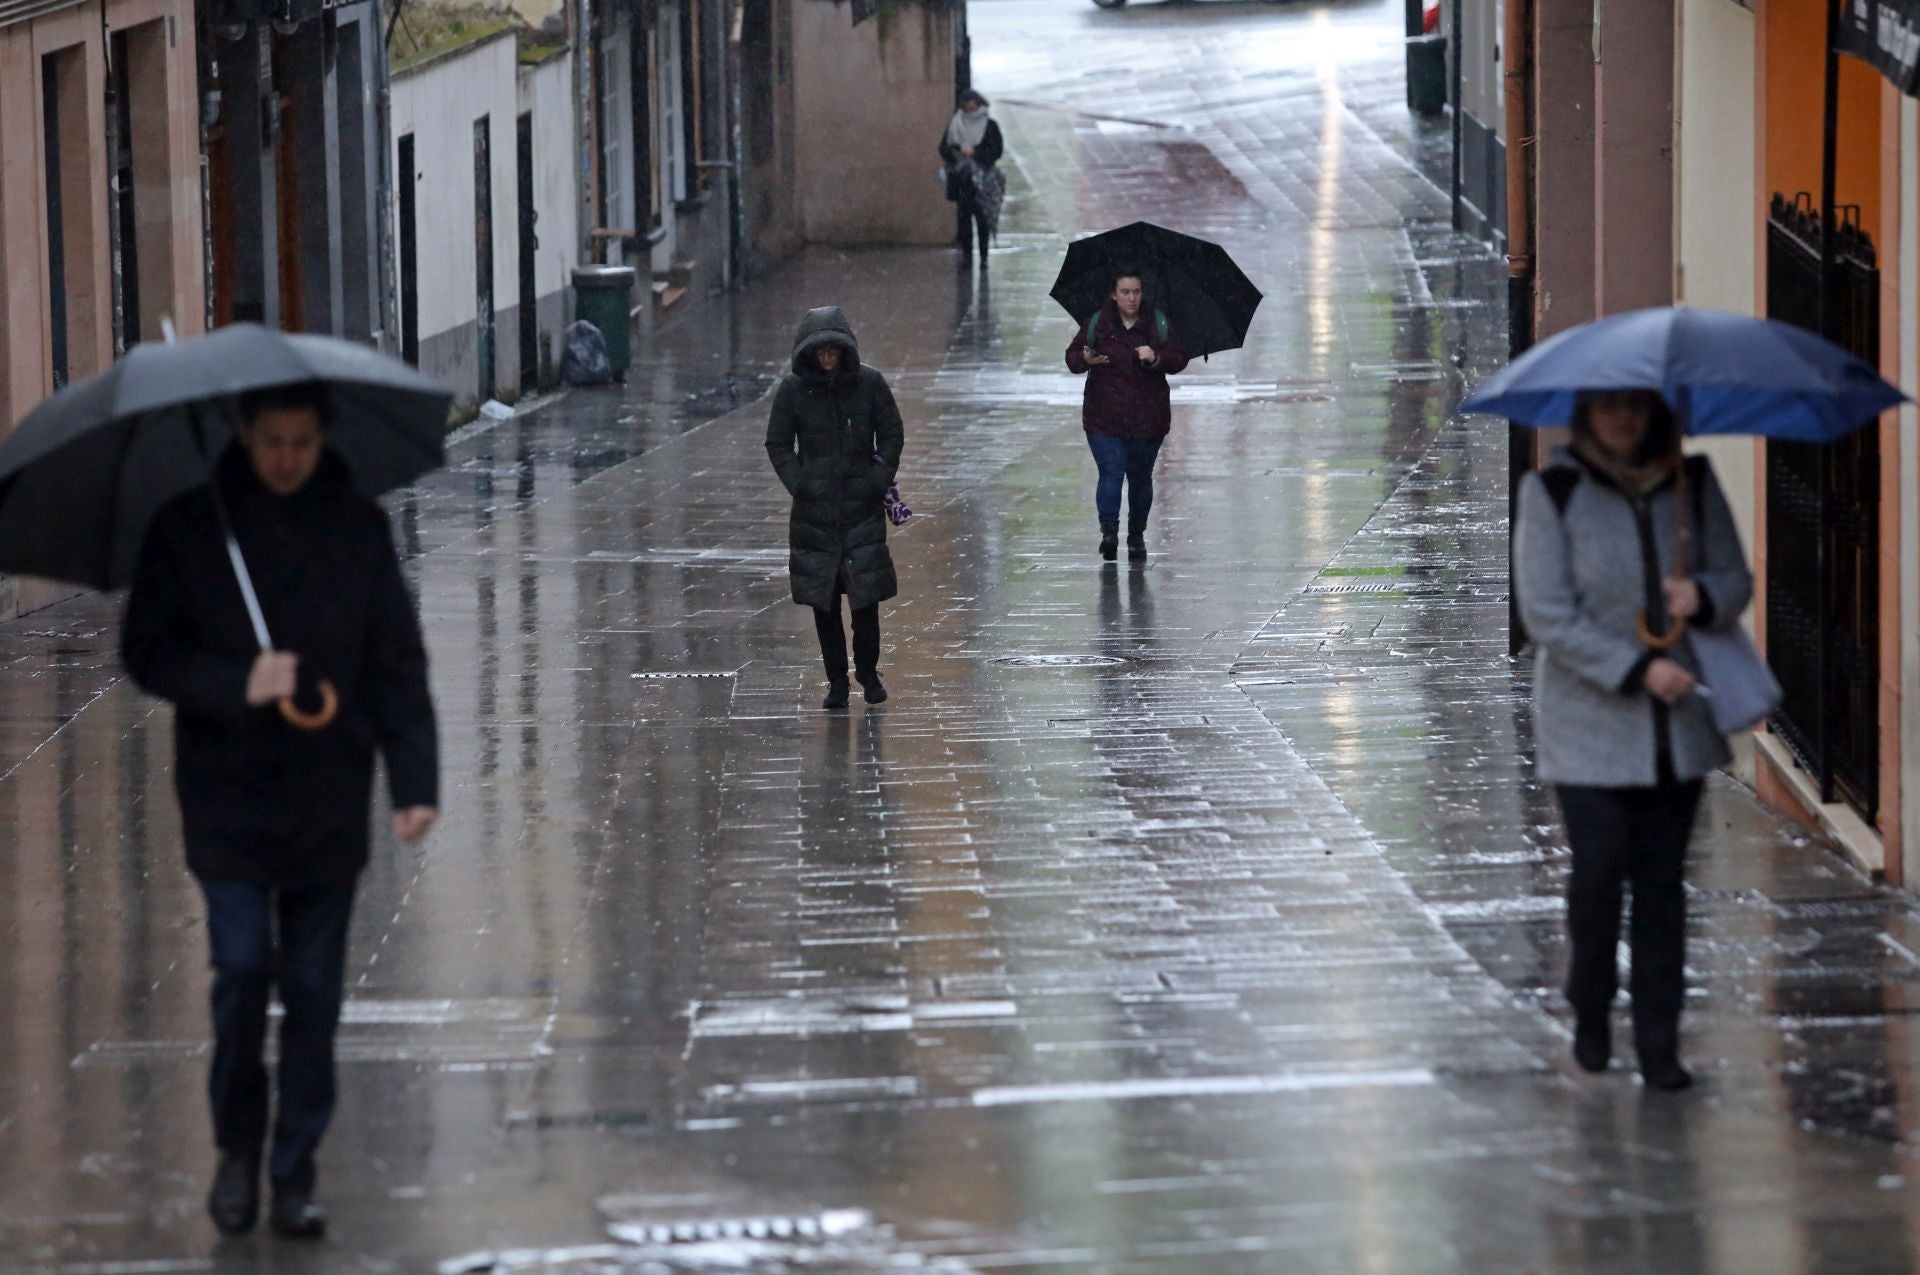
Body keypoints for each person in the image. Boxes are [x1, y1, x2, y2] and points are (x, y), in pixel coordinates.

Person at [122, 383, 439, 1237]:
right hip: (227, 798)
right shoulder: (192, 528)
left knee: (311, 988)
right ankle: (236, 1147)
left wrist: (414, 783)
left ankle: (294, 1169)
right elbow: (146, 650)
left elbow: (395, 662)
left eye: (301, 440)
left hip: (328, 796)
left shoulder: (357, 530)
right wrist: (236, 682)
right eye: (271, 441)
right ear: (244, 435)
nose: (287, 458)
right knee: (241, 973)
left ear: (322, 435)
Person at [1514, 388, 1752, 1091]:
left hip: (1676, 731)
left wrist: (1702, 598)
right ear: (1587, 413)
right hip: (1587, 727)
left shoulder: (1692, 483)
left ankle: (1659, 1042)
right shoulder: (1551, 490)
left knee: (1662, 888)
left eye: (1637, 406)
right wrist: (1636, 667)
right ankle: (1589, 997)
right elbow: (1547, 613)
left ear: (1656, 413)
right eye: (1609, 406)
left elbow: (1735, 579)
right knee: (1598, 874)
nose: (1624, 419)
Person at [766, 307, 905, 709]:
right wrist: (801, 483)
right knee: (824, 604)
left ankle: (867, 670)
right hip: (815, 517)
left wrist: (877, 477)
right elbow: (778, 444)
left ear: (844, 352)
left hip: (861, 510)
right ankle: (837, 681)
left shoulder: (870, 385)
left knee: (865, 601)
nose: (828, 359)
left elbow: (891, 432)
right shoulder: (793, 392)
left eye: (834, 352)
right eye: (821, 353)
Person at [1064, 270, 1189, 561]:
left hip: (1148, 417)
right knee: (1111, 471)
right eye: (1125, 292)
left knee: (1140, 477)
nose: (1131, 298)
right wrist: (1086, 359)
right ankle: (1109, 532)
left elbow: (1179, 357)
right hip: (1103, 415)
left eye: (1136, 292)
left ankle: (1136, 534)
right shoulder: (1098, 323)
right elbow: (1072, 358)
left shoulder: (1157, 322)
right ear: (1113, 294)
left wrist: (1155, 357)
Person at [938, 90, 1006, 265]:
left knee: (982, 218)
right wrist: (958, 152)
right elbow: (944, 148)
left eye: (973, 102)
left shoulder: (990, 126)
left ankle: (983, 256)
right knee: (964, 219)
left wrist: (977, 154)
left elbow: (996, 150)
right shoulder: (955, 124)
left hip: (983, 180)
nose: (970, 106)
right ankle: (967, 255)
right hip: (963, 179)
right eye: (967, 103)